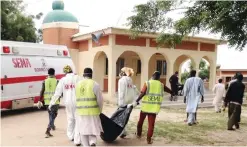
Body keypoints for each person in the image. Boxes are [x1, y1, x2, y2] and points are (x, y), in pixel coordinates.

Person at [130, 71, 172, 144]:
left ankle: (139, 134)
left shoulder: (148, 83)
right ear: (159, 77)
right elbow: (168, 90)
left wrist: (136, 101)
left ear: (152, 76)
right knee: (151, 125)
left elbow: (143, 93)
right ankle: (148, 140)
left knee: (140, 121)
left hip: (145, 107)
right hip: (153, 108)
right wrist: (173, 93)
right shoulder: (161, 85)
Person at [48, 65, 81, 145]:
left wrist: (51, 103)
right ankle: (77, 140)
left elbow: (57, 93)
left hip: (68, 102)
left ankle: (71, 136)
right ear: (71, 71)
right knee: (78, 120)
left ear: (65, 72)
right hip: (77, 102)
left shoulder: (63, 80)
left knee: (70, 119)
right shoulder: (78, 78)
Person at [75, 68, 103, 146]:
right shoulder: (95, 84)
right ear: (91, 75)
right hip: (93, 111)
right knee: (93, 128)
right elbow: (100, 100)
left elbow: (76, 98)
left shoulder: (77, 84)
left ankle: (86, 145)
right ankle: (93, 142)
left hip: (81, 111)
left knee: (83, 130)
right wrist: (100, 110)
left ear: (83, 75)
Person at [118, 67, 139, 138]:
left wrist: (120, 103)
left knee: (121, 117)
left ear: (123, 73)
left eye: (121, 71)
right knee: (126, 117)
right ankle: (124, 131)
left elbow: (121, 92)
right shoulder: (130, 80)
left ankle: (122, 132)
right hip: (129, 102)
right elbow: (134, 90)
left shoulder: (122, 80)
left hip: (123, 102)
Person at [39, 68, 59, 138]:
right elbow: (59, 91)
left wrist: (39, 100)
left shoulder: (45, 81)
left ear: (48, 73)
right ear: (54, 73)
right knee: (54, 114)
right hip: (55, 101)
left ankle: (52, 125)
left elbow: (42, 91)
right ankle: (48, 129)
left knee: (51, 114)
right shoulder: (57, 81)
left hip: (47, 102)